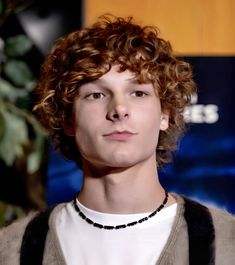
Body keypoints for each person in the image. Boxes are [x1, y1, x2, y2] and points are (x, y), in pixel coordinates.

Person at [0, 15, 234, 265]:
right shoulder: (12, 249)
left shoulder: (227, 244)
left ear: (164, 114)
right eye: (97, 94)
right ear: (67, 118)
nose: (120, 109)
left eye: (138, 92)